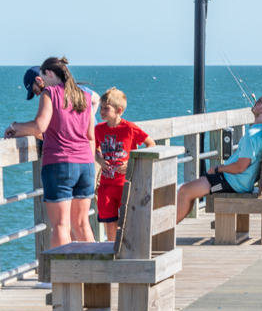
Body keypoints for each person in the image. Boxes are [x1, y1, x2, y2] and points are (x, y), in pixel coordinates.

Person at [5, 58, 96, 258]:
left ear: (46, 74)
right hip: (86, 165)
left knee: (61, 225)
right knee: (82, 224)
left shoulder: (50, 93)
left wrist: (14, 127)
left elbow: (40, 126)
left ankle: (62, 281)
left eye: (41, 82)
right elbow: (90, 135)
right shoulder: (84, 95)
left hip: (60, 165)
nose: (41, 87)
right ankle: (94, 278)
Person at [176, 90, 262, 222]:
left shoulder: (253, 135)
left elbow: (241, 166)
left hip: (233, 182)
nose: (255, 102)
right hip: (241, 182)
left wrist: (218, 169)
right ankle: (171, 227)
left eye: (259, 101)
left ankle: (167, 232)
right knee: (189, 191)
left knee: (184, 191)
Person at [94, 88, 156, 240]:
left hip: (125, 182)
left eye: (106, 108)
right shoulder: (98, 129)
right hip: (106, 184)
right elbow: (93, 147)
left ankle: (128, 251)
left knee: (128, 220)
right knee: (109, 223)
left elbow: (151, 144)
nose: (101, 111)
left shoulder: (129, 128)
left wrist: (131, 162)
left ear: (118, 110)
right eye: (100, 107)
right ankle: (112, 251)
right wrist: (98, 157)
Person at [24, 66, 101, 120]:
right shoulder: (77, 88)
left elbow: (40, 127)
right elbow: (96, 99)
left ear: (39, 80)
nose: (37, 94)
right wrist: (86, 120)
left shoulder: (56, 97)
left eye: (35, 90)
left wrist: (17, 128)